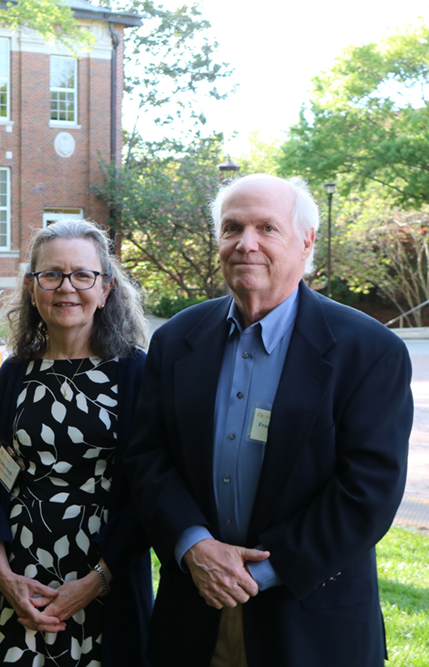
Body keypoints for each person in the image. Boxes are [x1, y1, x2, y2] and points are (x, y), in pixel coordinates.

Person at [125, 174, 413, 667]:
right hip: (192, 618)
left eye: (267, 228)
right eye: (232, 228)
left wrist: (254, 574)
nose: (246, 244)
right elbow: (148, 458)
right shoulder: (176, 341)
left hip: (311, 623)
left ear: (306, 242)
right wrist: (192, 546)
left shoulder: (369, 352)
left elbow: (367, 492)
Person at [0, 220, 153, 667]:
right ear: (32, 288)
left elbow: (147, 494)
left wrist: (95, 581)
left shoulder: (136, 374)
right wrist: (2, 573)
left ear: (105, 289)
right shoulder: (14, 374)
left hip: (107, 581)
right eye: (51, 274)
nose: (67, 287)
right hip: (20, 582)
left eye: (82, 275)